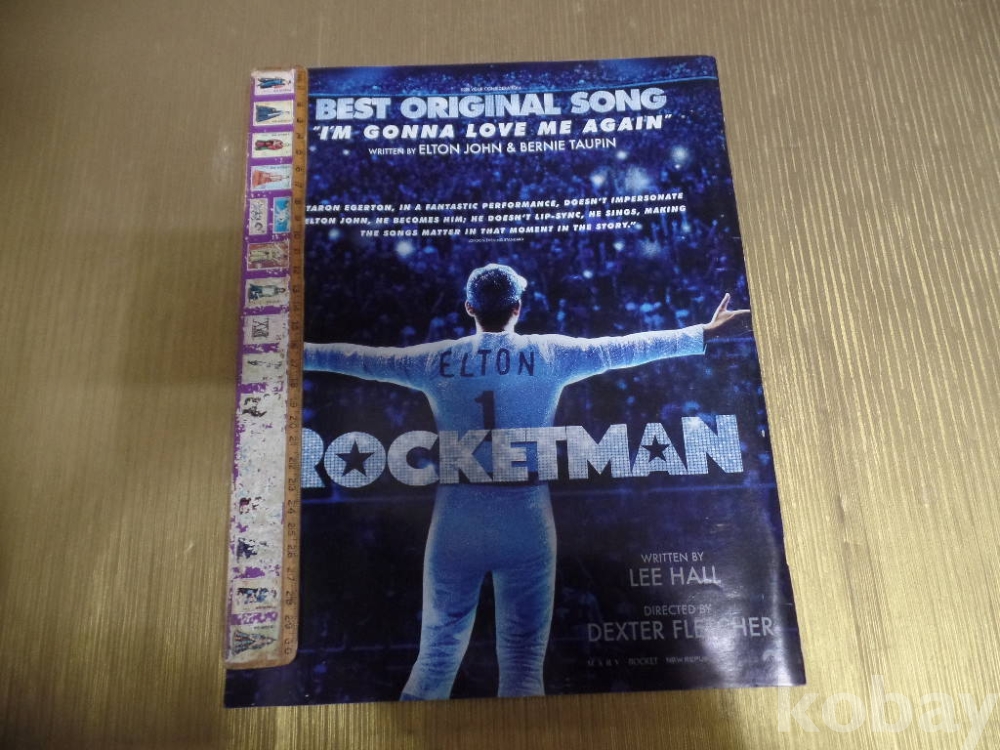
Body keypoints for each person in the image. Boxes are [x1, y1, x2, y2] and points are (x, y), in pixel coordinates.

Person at [303, 263, 750, 700]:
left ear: (469, 308)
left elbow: (359, 359)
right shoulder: (549, 354)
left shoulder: (437, 359)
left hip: (456, 522)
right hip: (527, 522)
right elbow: (624, 348)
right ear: (517, 308)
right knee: (522, 663)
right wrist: (703, 333)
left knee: (435, 659)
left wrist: (297, 351)